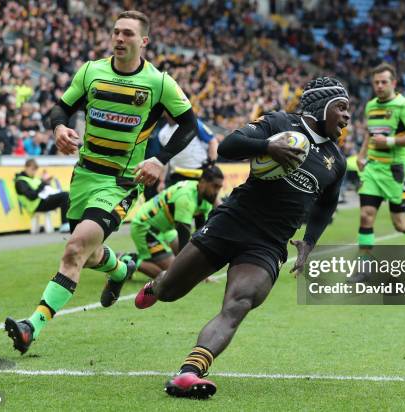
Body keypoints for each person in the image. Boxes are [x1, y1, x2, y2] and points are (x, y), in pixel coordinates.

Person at [134, 77, 350, 399]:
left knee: (239, 303)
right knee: (170, 291)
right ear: (322, 106)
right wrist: (267, 146)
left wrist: (310, 241)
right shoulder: (279, 123)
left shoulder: (337, 160)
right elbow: (227, 146)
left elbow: (326, 205)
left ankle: (189, 373)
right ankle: (157, 284)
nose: (347, 117)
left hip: (269, 243)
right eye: (342, 108)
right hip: (232, 221)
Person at [4, 10, 198, 354]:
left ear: (144, 41)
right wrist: (59, 129)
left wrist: (159, 159)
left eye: (127, 33)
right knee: (90, 255)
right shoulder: (92, 71)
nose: (119, 38)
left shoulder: (159, 83)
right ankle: (122, 268)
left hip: (120, 184)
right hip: (83, 177)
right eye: (115, 32)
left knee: (74, 250)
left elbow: (188, 125)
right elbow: (60, 109)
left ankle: (31, 326)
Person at [353, 63, 405, 282]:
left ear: (394, 83)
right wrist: (362, 155)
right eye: (376, 82)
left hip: (396, 171)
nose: (379, 86)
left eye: (384, 82)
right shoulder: (371, 106)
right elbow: (369, 135)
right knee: (365, 215)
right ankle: (363, 267)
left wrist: (389, 141)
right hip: (373, 169)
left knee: (400, 224)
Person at [120, 165, 224, 279]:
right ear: (203, 182)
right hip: (145, 226)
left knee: (180, 270)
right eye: (215, 186)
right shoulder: (186, 198)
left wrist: (201, 273)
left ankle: (151, 258)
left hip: (166, 229)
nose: (217, 192)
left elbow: (200, 237)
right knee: (173, 275)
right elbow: (184, 244)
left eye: (219, 188)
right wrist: (194, 272)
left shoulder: (205, 197)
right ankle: (127, 259)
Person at [158, 113, 219, 188]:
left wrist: (211, 164)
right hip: (177, 174)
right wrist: (161, 181)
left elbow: (213, 141)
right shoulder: (162, 133)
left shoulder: (193, 124)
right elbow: (164, 159)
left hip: (198, 171)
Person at [14, 158, 71, 233]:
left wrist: (45, 184)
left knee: (67, 196)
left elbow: (40, 189)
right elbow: (31, 197)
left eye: (35, 170)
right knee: (64, 196)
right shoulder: (20, 181)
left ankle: (68, 223)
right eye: (32, 169)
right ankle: (65, 224)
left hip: (42, 201)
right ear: (26, 167)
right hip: (34, 206)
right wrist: (42, 184)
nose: (34, 172)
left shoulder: (34, 179)